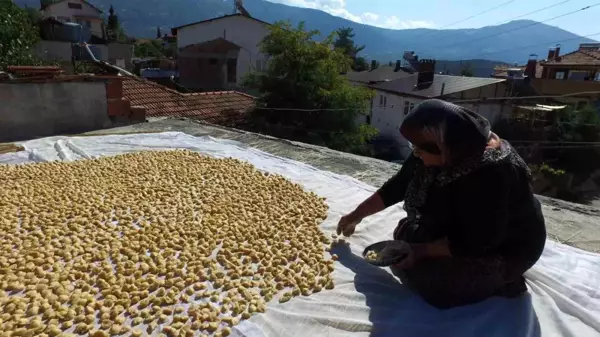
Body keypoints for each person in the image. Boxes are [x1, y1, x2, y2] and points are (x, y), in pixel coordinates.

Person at [337, 99, 546, 309]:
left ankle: (504, 281)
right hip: (463, 229)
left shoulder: (489, 173)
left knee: (435, 287)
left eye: (420, 150)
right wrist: (356, 215)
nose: (416, 154)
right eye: (414, 148)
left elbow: (478, 240)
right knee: (404, 237)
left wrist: (419, 251)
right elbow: (398, 185)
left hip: (503, 246)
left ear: (443, 146)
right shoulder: (440, 146)